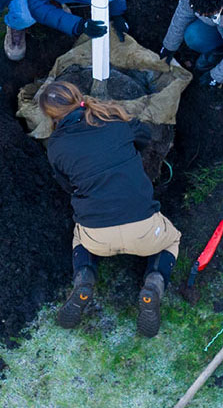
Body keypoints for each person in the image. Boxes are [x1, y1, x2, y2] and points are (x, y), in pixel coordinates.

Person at [39, 79, 181, 338]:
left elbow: (67, 186)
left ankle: (84, 278)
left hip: (97, 237)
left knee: (79, 238)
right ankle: (154, 282)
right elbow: (145, 137)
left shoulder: (56, 146)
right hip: (145, 232)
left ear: (50, 116)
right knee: (172, 241)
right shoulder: (115, 120)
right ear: (78, 97)